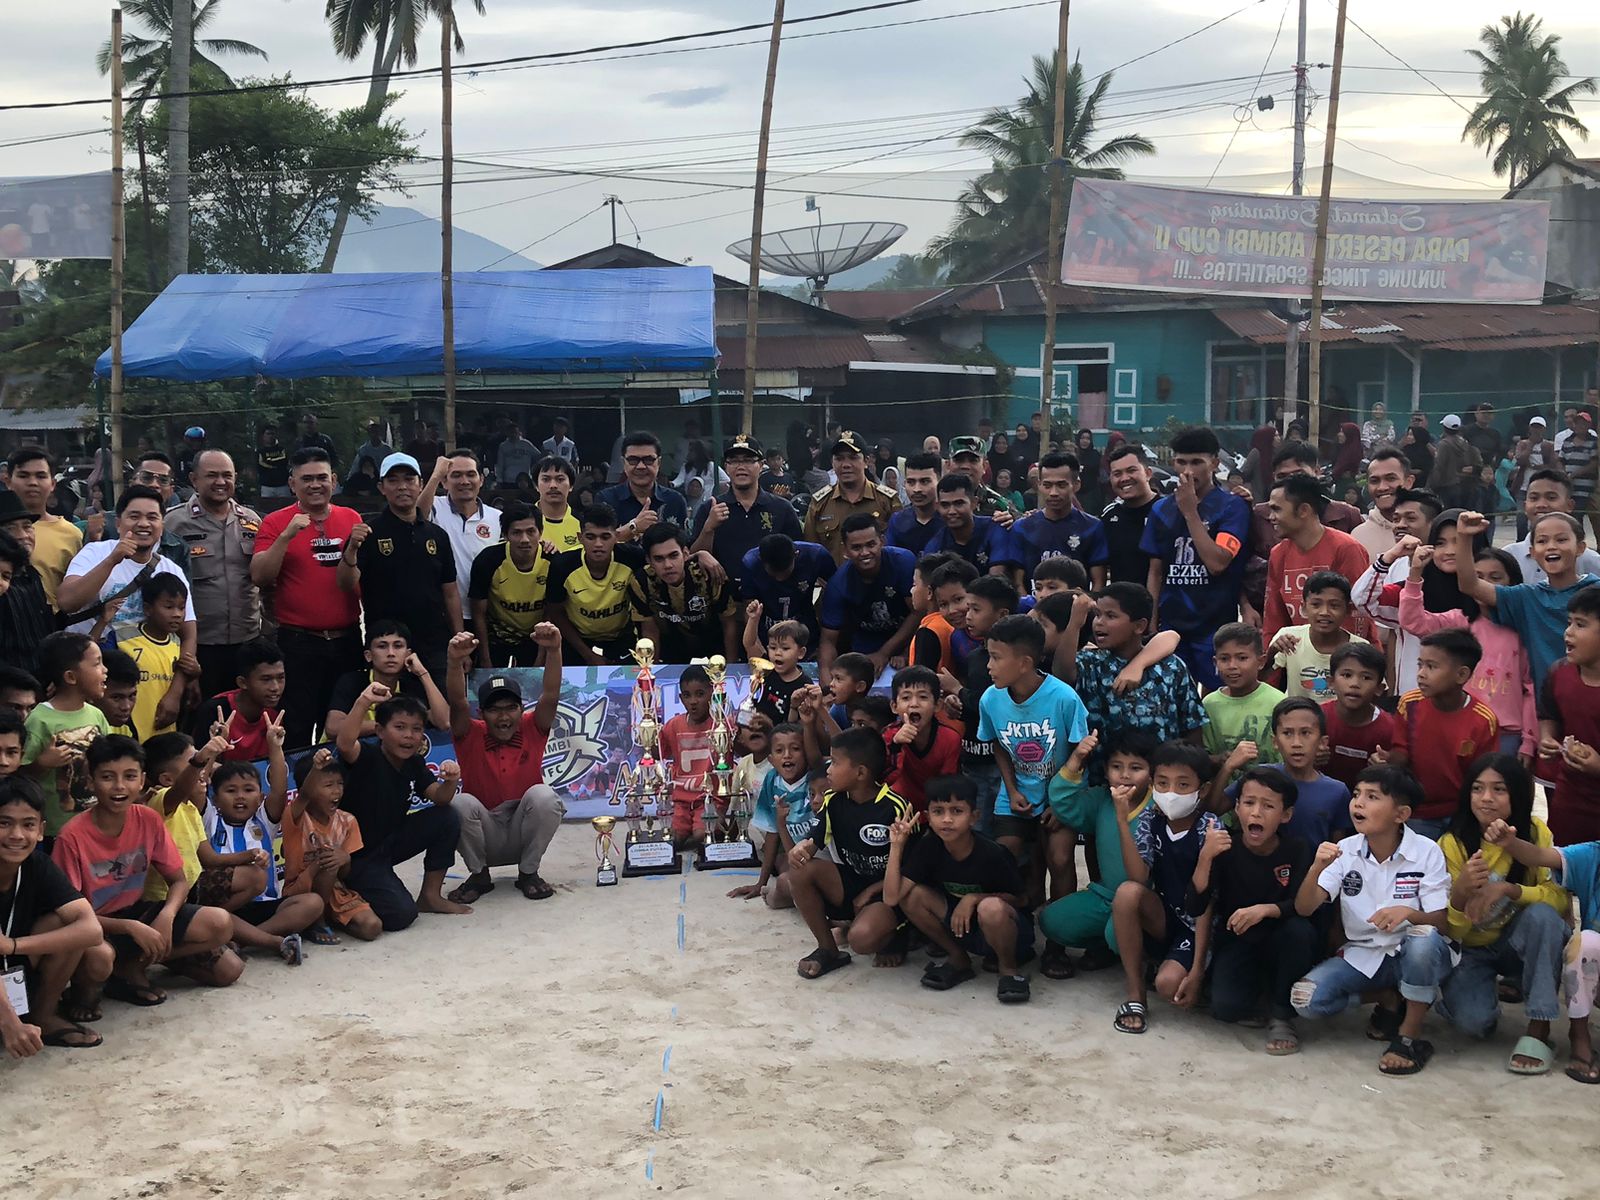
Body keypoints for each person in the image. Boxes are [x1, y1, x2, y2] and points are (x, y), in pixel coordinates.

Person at [1293, 766, 1458, 1076]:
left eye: (1372, 797)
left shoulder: (1427, 851)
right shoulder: (1345, 851)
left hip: (1415, 954)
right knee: (1305, 1001)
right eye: (1357, 794)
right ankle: (1387, 996)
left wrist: (1409, 913)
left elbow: (1442, 923)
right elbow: (1304, 907)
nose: (1358, 803)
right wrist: (1316, 867)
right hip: (1365, 954)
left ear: (1401, 814)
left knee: (1422, 937)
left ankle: (1409, 1036)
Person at [53, 735, 235, 1007]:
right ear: (90, 782)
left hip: (137, 911)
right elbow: (68, 913)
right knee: (99, 958)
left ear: (142, 780)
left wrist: (167, 916)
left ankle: (129, 968)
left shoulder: (148, 818)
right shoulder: (71, 837)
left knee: (221, 924)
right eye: (107, 777)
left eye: (129, 776)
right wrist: (129, 927)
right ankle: (84, 989)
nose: (119, 786)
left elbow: (178, 881)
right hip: (94, 923)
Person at [1433, 755, 1567, 1074]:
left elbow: (1560, 899)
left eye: (1499, 789)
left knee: (1544, 917)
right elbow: (1451, 933)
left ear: (1517, 794)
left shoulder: (1534, 833)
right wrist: (1461, 893)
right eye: (1477, 788)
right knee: (1475, 1024)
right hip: (1471, 950)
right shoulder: (1452, 843)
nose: (1486, 798)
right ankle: (1457, 998)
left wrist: (1510, 890)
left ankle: (1539, 1026)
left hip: (1516, 941)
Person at [1187, 768, 1316, 1055]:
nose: (1256, 813)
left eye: (1268, 806)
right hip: (1238, 940)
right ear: (1236, 808)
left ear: (1286, 815)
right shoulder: (1224, 848)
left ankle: (1281, 1015)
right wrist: (1205, 856)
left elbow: (1301, 905)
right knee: (1224, 1008)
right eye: (1248, 803)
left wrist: (1265, 910)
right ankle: (1261, 992)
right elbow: (1195, 905)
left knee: (1300, 932)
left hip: (1282, 937)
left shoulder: (1296, 849)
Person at [443, 629, 567, 904]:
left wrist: (554, 650)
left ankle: (529, 872)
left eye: (510, 708)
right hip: (484, 834)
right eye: (494, 709)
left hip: (522, 832)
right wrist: (454, 661)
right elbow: (458, 703)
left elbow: (551, 694)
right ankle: (479, 875)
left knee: (544, 796)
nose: (503, 716)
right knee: (459, 803)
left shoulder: (533, 726)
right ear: (481, 714)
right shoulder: (469, 732)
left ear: (522, 710)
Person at [251, 448, 364, 747]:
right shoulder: (276, 522)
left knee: (342, 726)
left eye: (322, 478)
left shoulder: (351, 518)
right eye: (307, 479)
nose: (315, 485)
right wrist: (286, 536)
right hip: (299, 643)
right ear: (292, 484)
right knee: (296, 728)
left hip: (347, 640)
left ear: (334, 480)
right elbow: (259, 576)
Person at [887, 775, 1034, 1003]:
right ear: (928, 817)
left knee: (991, 907)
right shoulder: (929, 847)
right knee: (912, 896)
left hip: (1009, 932)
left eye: (957, 811)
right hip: (961, 927)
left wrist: (974, 898)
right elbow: (892, 898)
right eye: (938, 811)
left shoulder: (992, 853)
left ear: (974, 817)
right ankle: (958, 958)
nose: (947, 819)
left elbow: (1022, 900)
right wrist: (896, 846)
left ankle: (1008, 970)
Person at [1397, 515, 1535, 758]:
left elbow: (1531, 689)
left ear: (1513, 583)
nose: (1485, 584)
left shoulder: (1522, 630)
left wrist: (1529, 742)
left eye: (1496, 578)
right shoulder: (1460, 621)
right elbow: (1412, 621)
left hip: (1507, 734)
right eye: (1478, 577)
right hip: (1462, 726)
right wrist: (1415, 573)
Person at [1109, 741, 1220, 1034]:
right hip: (1167, 916)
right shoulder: (1151, 819)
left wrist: (1196, 970)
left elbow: (1207, 904)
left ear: (1203, 790)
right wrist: (1122, 821)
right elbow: (1138, 877)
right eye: (1162, 783)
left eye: (1183, 785)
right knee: (1127, 893)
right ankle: (1135, 994)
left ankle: (1198, 973)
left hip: (1199, 927)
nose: (1171, 793)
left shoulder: (1209, 828)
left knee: (1168, 986)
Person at [336, 686, 469, 930]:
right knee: (401, 915)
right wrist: (364, 700)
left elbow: (440, 798)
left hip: (391, 842)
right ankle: (340, 893)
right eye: (399, 727)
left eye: (416, 729)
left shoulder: (414, 762)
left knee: (447, 817)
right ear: (380, 731)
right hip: (359, 856)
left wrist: (451, 781)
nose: (409, 736)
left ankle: (430, 896)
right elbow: (345, 744)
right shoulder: (366, 755)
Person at [784, 725, 912, 978]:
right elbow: (815, 840)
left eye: (835, 763)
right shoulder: (833, 800)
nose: (828, 770)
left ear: (861, 772)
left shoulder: (896, 807)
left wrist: (871, 891)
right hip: (851, 882)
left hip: (888, 892)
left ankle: (899, 934)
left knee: (861, 940)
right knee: (799, 869)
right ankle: (828, 949)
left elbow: (912, 870)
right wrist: (801, 848)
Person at [1483, 812, 1600, 1082]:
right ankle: (1579, 1034)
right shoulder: (1593, 855)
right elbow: (1538, 855)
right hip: (1595, 971)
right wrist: (1510, 843)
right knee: (1585, 943)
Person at [0, 776, 109, 1054]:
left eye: (28, 825)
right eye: (4, 823)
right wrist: (10, 1022)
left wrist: (13, 946)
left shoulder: (37, 864)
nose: (16, 835)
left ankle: (43, 1016)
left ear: (41, 831)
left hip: (11, 960)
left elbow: (91, 930)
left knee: (65, 924)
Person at [200, 729, 325, 966]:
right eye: (230, 791)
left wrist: (274, 746)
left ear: (260, 797)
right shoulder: (209, 820)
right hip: (227, 906)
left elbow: (279, 789)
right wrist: (212, 749)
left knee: (313, 903)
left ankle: (244, 940)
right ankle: (271, 941)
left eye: (248, 790)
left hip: (265, 907)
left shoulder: (264, 821)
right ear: (215, 799)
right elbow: (199, 785)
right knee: (220, 911)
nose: (240, 797)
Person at [1141, 428, 1251, 690]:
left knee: (1217, 697)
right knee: (1174, 697)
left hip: (1215, 625)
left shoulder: (1232, 506)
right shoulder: (1161, 509)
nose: (1188, 471)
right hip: (1172, 626)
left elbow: (1218, 563)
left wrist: (1190, 512)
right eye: (1181, 462)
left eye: (1197, 462)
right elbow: (1156, 571)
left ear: (1214, 463)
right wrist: (1151, 623)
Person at [1062, 583, 1205, 781]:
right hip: (1102, 783)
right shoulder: (1091, 662)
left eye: (1111, 616)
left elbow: (1192, 725)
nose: (1099, 622)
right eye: (1097, 615)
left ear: (1139, 626)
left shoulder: (1171, 667)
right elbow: (1063, 673)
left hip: (1160, 784)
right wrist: (1075, 623)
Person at [338, 452, 461, 680]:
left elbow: (450, 592)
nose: (402, 486)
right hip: (388, 646)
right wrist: (352, 548)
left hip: (434, 643)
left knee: (439, 701)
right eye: (393, 480)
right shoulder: (369, 533)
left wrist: (458, 638)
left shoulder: (437, 535)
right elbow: (345, 584)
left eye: (409, 479)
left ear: (420, 484)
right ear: (381, 487)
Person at [979, 614, 1089, 863]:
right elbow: (998, 745)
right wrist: (1012, 791)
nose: (989, 666)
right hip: (1017, 793)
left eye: (996, 657)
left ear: (1024, 663)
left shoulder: (1064, 698)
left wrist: (1061, 803)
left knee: (1059, 858)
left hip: (1062, 794)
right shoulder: (990, 699)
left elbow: (1081, 754)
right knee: (1006, 855)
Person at [1454, 510, 1598, 689]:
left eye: (1561, 540)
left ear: (1580, 548)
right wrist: (1464, 537)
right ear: (1532, 552)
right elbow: (1470, 585)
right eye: (1542, 541)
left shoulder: (1595, 591)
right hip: (1549, 700)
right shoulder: (1526, 598)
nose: (1551, 546)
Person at [165, 451, 263, 701]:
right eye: (211, 475)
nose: (220, 482)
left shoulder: (251, 521)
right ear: (194, 479)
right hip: (198, 645)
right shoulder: (174, 523)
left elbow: (264, 580)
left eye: (227, 475)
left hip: (246, 640)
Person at [57, 486, 197, 653]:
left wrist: (184, 667)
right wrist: (112, 560)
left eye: (152, 517)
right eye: (134, 516)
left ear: (161, 526)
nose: (143, 524)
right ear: (118, 524)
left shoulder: (172, 570)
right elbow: (67, 602)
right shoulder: (94, 553)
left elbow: (188, 634)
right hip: (91, 662)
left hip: (148, 665)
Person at [1219, 697, 1352, 847]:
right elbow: (1213, 808)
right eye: (1287, 733)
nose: (1296, 743)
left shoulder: (1337, 791)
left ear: (1322, 742)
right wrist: (1228, 767)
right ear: (1275, 742)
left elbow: (1338, 848)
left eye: (1306, 733)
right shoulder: (1259, 778)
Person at [279, 749, 382, 942]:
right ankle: (317, 922)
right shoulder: (295, 817)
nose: (336, 791)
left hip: (334, 890)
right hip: (300, 892)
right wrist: (316, 767)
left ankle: (329, 919)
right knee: (327, 860)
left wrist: (345, 859)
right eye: (328, 785)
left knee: (372, 927)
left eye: (340, 784)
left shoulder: (348, 821)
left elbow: (344, 874)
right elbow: (304, 795)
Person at [22, 633, 111, 840]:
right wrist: (41, 764)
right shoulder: (39, 720)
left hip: (96, 824)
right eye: (97, 663)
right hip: (55, 831)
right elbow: (18, 776)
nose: (105, 670)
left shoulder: (96, 715)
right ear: (71, 677)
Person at [1262, 475, 1370, 644]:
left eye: (1277, 509)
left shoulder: (1346, 549)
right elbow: (1273, 619)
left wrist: (1342, 658)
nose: (1271, 517)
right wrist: (1271, 655)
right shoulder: (1278, 554)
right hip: (1299, 656)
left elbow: (1357, 615)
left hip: (1347, 656)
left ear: (1303, 510)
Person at [689, 435, 802, 590]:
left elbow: (798, 554)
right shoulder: (710, 508)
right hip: (724, 597)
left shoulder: (782, 508)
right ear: (726, 466)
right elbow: (693, 559)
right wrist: (709, 528)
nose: (741, 466)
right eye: (734, 461)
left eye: (748, 460)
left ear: (761, 465)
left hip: (770, 595)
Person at [544, 504, 647, 665]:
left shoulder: (633, 558)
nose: (598, 544)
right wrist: (588, 655)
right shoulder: (562, 566)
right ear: (580, 537)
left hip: (622, 637)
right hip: (578, 640)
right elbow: (555, 612)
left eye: (605, 537)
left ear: (616, 537)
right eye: (591, 537)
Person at [1536, 584, 1600, 842]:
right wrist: (1547, 738)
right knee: (1566, 861)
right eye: (1569, 622)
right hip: (1569, 800)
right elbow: (1549, 714)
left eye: (1580, 624)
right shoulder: (1558, 673)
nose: (1568, 632)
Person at [816, 515, 918, 677]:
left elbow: (918, 611)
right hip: (866, 645)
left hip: (909, 638)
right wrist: (826, 678)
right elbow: (828, 640)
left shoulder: (903, 562)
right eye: (856, 547)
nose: (865, 553)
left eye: (871, 544)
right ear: (845, 551)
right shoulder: (838, 584)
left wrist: (886, 653)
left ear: (882, 541)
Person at [629, 524, 739, 664]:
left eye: (673, 555)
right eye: (659, 559)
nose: (668, 565)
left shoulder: (709, 575)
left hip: (713, 647)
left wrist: (731, 667)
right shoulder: (640, 582)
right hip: (670, 650)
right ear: (649, 560)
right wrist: (651, 670)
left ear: (686, 554)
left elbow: (728, 623)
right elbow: (650, 631)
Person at [324, 621, 449, 741]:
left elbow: (444, 722)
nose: (391, 653)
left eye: (398, 646)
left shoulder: (412, 685)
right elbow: (333, 728)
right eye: (382, 646)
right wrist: (388, 725)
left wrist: (423, 673)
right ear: (368, 655)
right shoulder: (351, 681)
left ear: (408, 654)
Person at [732, 722, 810, 907]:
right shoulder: (772, 780)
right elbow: (772, 832)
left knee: (792, 881)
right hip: (792, 852)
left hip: (819, 854)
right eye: (779, 750)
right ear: (771, 759)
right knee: (785, 874)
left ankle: (783, 896)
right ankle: (779, 895)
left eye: (795, 749)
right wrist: (761, 882)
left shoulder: (816, 778)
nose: (787, 755)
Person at [802, 431, 902, 563]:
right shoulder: (819, 503)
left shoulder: (887, 500)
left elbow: (899, 551)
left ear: (866, 461)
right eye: (839, 459)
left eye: (853, 457)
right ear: (832, 463)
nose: (846, 465)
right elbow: (811, 553)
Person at [468, 504, 547, 668]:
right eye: (516, 533)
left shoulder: (553, 561)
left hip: (537, 637)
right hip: (497, 636)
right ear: (505, 535)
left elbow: (552, 614)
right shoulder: (487, 561)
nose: (524, 539)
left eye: (531, 531)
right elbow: (478, 613)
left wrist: (541, 660)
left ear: (540, 532)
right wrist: (485, 659)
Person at [1012, 452, 1109, 586]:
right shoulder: (1022, 528)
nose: (1053, 493)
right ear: (1039, 485)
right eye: (1047, 485)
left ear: (1076, 485)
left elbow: (1099, 584)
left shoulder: (1092, 527)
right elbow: (1018, 584)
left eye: (1061, 485)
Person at [1269, 572, 1368, 702]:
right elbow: (1260, 680)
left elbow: (1373, 692)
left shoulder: (1361, 648)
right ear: (1304, 608)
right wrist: (1272, 652)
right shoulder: (1288, 638)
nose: (1324, 612)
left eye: (1334, 605)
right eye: (1316, 604)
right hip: (1298, 713)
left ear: (1347, 610)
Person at [4, 446, 82, 609]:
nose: (32, 482)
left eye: (40, 476)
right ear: (8, 481)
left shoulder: (72, 534)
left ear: (52, 484)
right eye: (23, 475)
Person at [423, 450, 502, 608]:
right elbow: (416, 516)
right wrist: (435, 475)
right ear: (444, 482)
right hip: (444, 610)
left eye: (471, 474)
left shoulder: (498, 517)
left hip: (488, 609)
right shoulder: (434, 507)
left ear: (481, 480)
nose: (464, 481)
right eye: (456, 475)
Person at [1203, 622, 1284, 777]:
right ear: (1215, 662)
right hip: (1226, 789)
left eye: (1242, 658)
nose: (1232, 666)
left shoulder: (1278, 702)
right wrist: (1220, 759)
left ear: (1261, 662)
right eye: (1224, 659)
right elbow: (1205, 755)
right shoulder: (1209, 705)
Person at [116, 574, 190, 737]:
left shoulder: (179, 646)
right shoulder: (122, 639)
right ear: (148, 609)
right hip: (129, 734)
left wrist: (194, 673)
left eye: (181, 608)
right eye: (169, 607)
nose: (177, 614)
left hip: (164, 735)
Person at [190, 638, 286, 763]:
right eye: (266, 679)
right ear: (242, 682)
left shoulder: (280, 710)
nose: (275, 687)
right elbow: (198, 766)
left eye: (281, 678)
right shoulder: (215, 711)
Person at [880, 666, 959, 816]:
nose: (914, 704)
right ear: (894, 706)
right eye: (906, 698)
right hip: (898, 809)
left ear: (937, 705)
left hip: (937, 809)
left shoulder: (950, 738)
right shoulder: (889, 735)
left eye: (923, 697)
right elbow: (883, 780)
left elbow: (947, 785)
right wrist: (896, 745)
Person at [739, 534, 835, 657]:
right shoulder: (750, 563)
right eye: (774, 574)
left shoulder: (816, 556)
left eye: (785, 572)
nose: (780, 579)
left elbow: (836, 593)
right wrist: (757, 649)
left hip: (806, 636)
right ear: (761, 560)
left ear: (796, 555)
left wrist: (823, 645)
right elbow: (749, 608)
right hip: (768, 639)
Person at [1320, 643, 1395, 790]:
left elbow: (1398, 777)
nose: (1355, 684)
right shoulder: (1317, 718)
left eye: (1366, 677)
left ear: (1379, 688)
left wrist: (1385, 769)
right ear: (1331, 682)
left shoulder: (1389, 729)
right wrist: (1310, 756)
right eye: (1347, 675)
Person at [1506, 469, 1600, 583]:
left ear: (1570, 505)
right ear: (1525, 506)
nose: (1541, 505)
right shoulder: (1510, 555)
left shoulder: (1589, 559)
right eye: (1534, 498)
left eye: (1551, 497)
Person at [926, 474, 1020, 581]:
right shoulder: (935, 544)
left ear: (974, 503)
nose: (951, 511)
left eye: (959, 503)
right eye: (945, 505)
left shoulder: (996, 527)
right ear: (937, 507)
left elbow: (995, 581)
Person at [0, 499, 55, 679]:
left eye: (27, 527)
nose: (22, 535)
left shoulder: (32, 575)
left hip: (41, 680)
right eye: (10, 529)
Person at [599, 431, 689, 540]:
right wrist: (634, 527)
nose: (641, 466)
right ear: (623, 463)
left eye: (648, 460)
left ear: (659, 463)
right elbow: (599, 543)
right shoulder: (606, 499)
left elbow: (684, 545)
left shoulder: (675, 501)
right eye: (633, 460)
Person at [1098, 441, 1159, 586]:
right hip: (1120, 598)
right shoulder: (1109, 516)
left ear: (1148, 473)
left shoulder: (1166, 512)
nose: (1124, 478)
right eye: (1117, 474)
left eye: (1131, 471)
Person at [741, 616, 810, 725]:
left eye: (785, 648)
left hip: (781, 733)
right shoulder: (766, 668)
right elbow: (750, 644)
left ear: (801, 653)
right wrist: (753, 619)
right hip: (755, 729)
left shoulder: (804, 685)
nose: (777, 653)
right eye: (773, 648)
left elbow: (800, 725)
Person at [1351, 446, 1416, 560]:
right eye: (1374, 481)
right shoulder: (1359, 537)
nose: (1382, 487)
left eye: (1391, 479)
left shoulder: (1427, 529)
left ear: (1409, 482)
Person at [883, 452, 944, 557]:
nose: (917, 489)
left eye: (925, 481)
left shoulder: (950, 519)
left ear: (939, 481)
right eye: (911, 482)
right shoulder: (897, 521)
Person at [1430, 414, 1483, 509]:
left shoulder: (1443, 444)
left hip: (1447, 488)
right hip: (1467, 487)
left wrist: (1431, 487)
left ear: (1445, 428)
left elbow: (1438, 467)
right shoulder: (1468, 445)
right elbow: (1479, 465)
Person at [533, 456, 582, 554]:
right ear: (536, 486)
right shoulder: (522, 522)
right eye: (546, 479)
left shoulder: (582, 524)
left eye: (560, 479)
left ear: (571, 485)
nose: (553, 485)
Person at [96, 648, 140, 740]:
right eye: (116, 697)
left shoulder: (125, 731)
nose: (126, 707)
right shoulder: (77, 732)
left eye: (132, 696)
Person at [494, 423, 538, 488]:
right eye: (511, 432)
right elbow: (500, 464)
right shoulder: (503, 446)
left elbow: (538, 457)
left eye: (515, 432)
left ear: (519, 432)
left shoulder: (526, 444)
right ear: (507, 433)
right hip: (508, 480)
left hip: (525, 479)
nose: (513, 434)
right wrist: (499, 480)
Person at [255, 426, 291, 501]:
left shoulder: (282, 449)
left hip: (282, 485)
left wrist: (269, 461)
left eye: (272, 434)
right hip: (267, 486)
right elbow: (261, 464)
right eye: (268, 434)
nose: (270, 436)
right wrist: (274, 463)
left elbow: (283, 461)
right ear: (263, 436)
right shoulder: (260, 452)